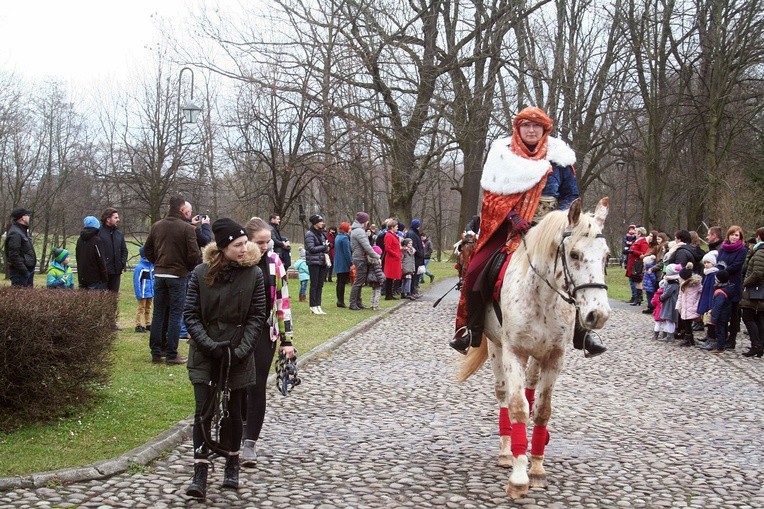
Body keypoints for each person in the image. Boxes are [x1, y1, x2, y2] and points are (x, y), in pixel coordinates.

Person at [450, 106, 605, 357]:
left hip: (553, 229)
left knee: (575, 270)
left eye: (537, 126)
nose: (531, 130)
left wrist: (560, 218)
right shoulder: (503, 155)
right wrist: (514, 217)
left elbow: (570, 194)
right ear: (518, 128)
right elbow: (493, 197)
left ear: (545, 130)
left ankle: (583, 334)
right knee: (477, 269)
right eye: (526, 126)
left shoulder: (559, 159)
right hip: (514, 229)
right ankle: (471, 329)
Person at [184, 218, 266, 499]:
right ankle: (200, 471)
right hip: (205, 354)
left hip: (239, 353)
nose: (245, 249)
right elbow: (191, 315)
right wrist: (209, 345)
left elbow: (257, 316)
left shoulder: (254, 274)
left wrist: (241, 351)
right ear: (222, 247)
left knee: (234, 412)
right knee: (202, 411)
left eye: (245, 243)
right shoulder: (199, 274)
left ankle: (232, 465)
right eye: (238, 245)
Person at [240, 217, 295, 466]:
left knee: (257, 384)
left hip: (265, 332)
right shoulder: (237, 261)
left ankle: (250, 441)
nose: (264, 246)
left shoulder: (274, 262)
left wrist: (287, 340)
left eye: (267, 242)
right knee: (236, 385)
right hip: (238, 333)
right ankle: (237, 430)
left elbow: (282, 302)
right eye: (259, 242)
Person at [144, 195, 201, 365]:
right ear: (181, 208)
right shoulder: (186, 229)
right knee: (176, 315)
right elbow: (194, 254)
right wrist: (186, 268)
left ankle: (156, 351)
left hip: (160, 274)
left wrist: (159, 263)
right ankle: (171, 354)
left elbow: (147, 250)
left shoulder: (156, 226)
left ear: (169, 206)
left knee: (158, 314)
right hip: (177, 275)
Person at [716, 225, 747, 350]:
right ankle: (721, 336)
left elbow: (737, 265)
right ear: (728, 235)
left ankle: (732, 339)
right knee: (722, 310)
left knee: (734, 313)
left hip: (733, 283)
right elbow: (718, 262)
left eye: (737, 235)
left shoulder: (742, 250)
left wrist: (724, 272)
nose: (734, 237)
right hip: (721, 283)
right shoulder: (722, 248)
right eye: (732, 234)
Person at [349, 211, 381, 310]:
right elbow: (367, 246)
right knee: (358, 281)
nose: (367, 222)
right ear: (364, 221)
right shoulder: (359, 231)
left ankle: (358, 302)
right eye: (367, 220)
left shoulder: (357, 230)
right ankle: (353, 303)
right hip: (360, 258)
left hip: (359, 257)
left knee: (360, 281)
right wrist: (377, 256)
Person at [740, 226, 764, 357]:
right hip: (759, 289)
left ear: (759, 237)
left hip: (756, 290)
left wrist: (745, 282)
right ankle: (759, 345)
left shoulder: (760, 252)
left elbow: (757, 273)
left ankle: (757, 345)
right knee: (759, 317)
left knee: (748, 317)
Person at [97, 208, 128, 294]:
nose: (118, 220)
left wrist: (121, 263)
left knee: (114, 299)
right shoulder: (98, 233)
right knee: (102, 300)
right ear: (108, 219)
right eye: (115, 217)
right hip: (103, 273)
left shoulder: (119, 234)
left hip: (116, 272)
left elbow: (124, 250)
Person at [701, 270, 733, 353]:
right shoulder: (728, 288)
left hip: (721, 315)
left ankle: (720, 347)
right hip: (725, 314)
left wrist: (714, 318)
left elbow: (718, 306)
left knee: (720, 331)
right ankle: (721, 345)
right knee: (723, 330)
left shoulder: (720, 292)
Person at [304, 214, 330, 314]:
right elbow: (311, 248)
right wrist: (323, 247)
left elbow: (326, 245)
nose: (322, 223)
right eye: (320, 221)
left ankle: (318, 304)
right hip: (314, 262)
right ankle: (313, 305)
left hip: (322, 261)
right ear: (315, 223)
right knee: (314, 284)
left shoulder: (322, 233)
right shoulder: (310, 234)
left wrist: (327, 247)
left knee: (320, 284)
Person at [4, 208, 36, 287]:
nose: (29, 217)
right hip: (20, 273)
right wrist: (24, 271)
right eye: (27, 215)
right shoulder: (15, 233)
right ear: (22, 218)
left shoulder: (23, 231)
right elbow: (13, 255)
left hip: (26, 271)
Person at [75, 216, 108, 290]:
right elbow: (100, 259)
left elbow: (78, 257)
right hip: (94, 277)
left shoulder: (79, 240)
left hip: (82, 276)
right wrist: (105, 276)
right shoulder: (97, 240)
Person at [696, 250, 720, 348]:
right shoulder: (707, 274)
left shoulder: (713, 274)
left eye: (708, 263)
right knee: (708, 321)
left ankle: (712, 340)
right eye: (705, 263)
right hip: (706, 298)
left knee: (711, 322)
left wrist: (711, 304)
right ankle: (709, 339)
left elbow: (712, 290)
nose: (706, 265)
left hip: (710, 300)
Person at [676, 263, 702, 347]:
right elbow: (680, 296)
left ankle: (688, 338)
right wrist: (678, 305)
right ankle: (689, 337)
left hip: (692, 306)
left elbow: (701, 294)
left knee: (688, 322)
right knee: (686, 322)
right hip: (685, 306)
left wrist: (697, 304)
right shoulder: (682, 285)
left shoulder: (696, 285)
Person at [657, 263, 682, 341]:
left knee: (669, 319)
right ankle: (669, 334)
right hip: (673, 302)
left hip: (670, 304)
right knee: (671, 320)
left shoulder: (672, 284)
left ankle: (670, 336)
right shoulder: (677, 282)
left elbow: (667, 293)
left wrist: (661, 297)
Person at [133, 246, 154, 333]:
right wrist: (138, 293)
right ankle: (138, 325)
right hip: (142, 293)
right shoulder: (140, 267)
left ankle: (148, 324)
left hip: (150, 292)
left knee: (148, 308)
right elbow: (136, 281)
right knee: (141, 309)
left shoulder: (152, 267)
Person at [626, 227, 649, 306]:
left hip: (637, 264)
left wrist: (633, 251)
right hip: (631, 263)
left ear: (639, 234)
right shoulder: (635, 241)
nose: (634, 234)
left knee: (636, 281)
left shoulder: (643, 242)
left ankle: (638, 297)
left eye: (636, 232)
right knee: (631, 281)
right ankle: (634, 296)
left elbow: (643, 253)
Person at [382, 219, 402, 300]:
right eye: (396, 227)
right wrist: (396, 254)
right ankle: (388, 295)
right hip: (391, 259)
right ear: (392, 227)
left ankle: (390, 294)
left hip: (395, 259)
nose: (397, 228)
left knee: (392, 277)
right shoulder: (388, 236)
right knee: (389, 277)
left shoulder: (393, 235)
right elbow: (388, 248)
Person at [333, 222, 352, 307]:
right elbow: (347, 252)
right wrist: (350, 263)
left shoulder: (338, 237)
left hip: (338, 262)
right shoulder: (344, 238)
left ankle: (339, 300)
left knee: (339, 282)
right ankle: (341, 301)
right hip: (343, 263)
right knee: (342, 283)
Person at [405, 219, 425, 298]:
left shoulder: (414, 233)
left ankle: (414, 290)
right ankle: (411, 291)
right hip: (414, 258)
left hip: (417, 258)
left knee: (416, 275)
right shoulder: (412, 234)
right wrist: (420, 254)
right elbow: (414, 246)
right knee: (413, 275)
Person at [367, 245, 386, 310]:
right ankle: (376, 305)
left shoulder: (370, 261)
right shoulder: (376, 262)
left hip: (372, 278)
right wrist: (381, 280)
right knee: (377, 292)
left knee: (373, 291)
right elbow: (378, 272)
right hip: (376, 278)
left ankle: (372, 304)